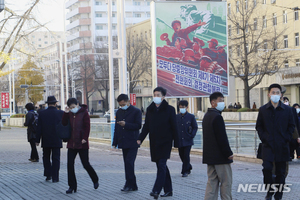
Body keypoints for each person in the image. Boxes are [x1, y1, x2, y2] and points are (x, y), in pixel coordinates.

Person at [137, 87, 178, 199]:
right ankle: (169, 190)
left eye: (158, 95)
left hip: (165, 142)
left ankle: (156, 190)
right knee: (161, 166)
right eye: (154, 94)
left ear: (163, 97)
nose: (156, 97)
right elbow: (146, 127)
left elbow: (174, 126)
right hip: (154, 142)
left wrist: (177, 142)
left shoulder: (170, 109)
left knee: (161, 165)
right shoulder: (150, 110)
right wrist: (140, 138)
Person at [256, 84, 295, 200]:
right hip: (267, 146)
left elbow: (291, 126)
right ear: (269, 94)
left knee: (281, 173)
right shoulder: (263, 110)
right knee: (267, 169)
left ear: (281, 95)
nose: (275, 95)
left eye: (277, 93)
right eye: (273, 92)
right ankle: (269, 191)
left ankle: (279, 195)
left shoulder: (288, 110)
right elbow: (259, 126)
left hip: (282, 147)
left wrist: (286, 138)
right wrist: (264, 137)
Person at [62, 98, 99, 194]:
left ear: (78, 104)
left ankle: (95, 179)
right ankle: (72, 186)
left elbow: (87, 126)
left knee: (85, 164)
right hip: (71, 143)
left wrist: (85, 138)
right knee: (70, 165)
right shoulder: (69, 113)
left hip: (82, 143)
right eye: (70, 108)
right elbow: (64, 123)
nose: (72, 109)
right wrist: (66, 113)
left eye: (73, 107)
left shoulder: (84, 113)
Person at [202, 92, 233, 200]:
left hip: (210, 157)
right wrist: (228, 153)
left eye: (223, 100)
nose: (222, 103)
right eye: (220, 100)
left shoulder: (207, 116)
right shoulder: (217, 117)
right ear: (213, 102)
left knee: (212, 183)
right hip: (221, 158)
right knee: (226, 183)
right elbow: (222, 138)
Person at [112, 94, 142, 192]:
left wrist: (126, 124)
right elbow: (116, 128)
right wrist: (114, 142)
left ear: (128, 101)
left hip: (133, 141)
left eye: (123, 104)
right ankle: (132, 184)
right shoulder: (119, 112)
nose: (122, 106)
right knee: (127, 163)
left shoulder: (136, 111)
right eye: (120, 105)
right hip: (123, 141)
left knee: (129, 162)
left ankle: (129, 184)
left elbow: (138, 125)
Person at [35, 96, 64, 182]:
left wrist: (37, 140)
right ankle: (55, 177)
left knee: (46, 157)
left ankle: (48, 174)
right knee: (56, 158)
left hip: (46, 138)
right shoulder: (61, 113)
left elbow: (39, 127)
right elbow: (64, 126)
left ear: (48, 104)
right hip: (57, 138)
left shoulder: (42, 113)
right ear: (55, 104)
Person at [176, 100, 198, 177]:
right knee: (181, 155)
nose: (182, 108)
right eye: (180, 107)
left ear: (187, 107)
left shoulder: (191, 117)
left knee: (186, 155)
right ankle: (188, 166)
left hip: (187, 139)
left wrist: (191, 135)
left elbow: (195, 127)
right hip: (179, 140)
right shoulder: (176, 117)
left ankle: (185, 171)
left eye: (183, 107)